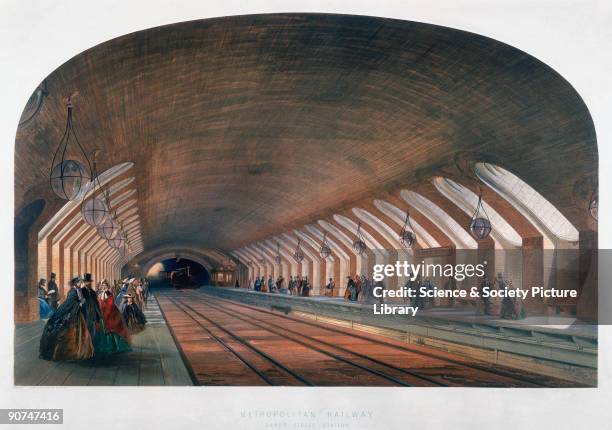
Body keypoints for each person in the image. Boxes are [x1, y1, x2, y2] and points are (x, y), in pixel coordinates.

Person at [39, 277, 95, 361]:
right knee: (68, 332)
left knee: (81, 333)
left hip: (78, 315)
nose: (81, 284)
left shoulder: (78, 290)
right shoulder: (72, 292)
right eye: (80, 282)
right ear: (76, 283)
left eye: (81, 282)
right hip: (73, 314)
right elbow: (69, 303)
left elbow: (80, 300)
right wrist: (79, 304)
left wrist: (82, 302)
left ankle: (80, 351)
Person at [96, 280, 131, 353]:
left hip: (111, 314)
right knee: (102, 330)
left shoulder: (109, 294)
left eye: (105, 285)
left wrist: (105, 311)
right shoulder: (100, 294)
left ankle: (114, 347)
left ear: (107, 286)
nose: (103, 287)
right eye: (102, 285)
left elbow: (110, 304)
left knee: (112, 330)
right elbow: (99, 302)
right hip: (102, 313)